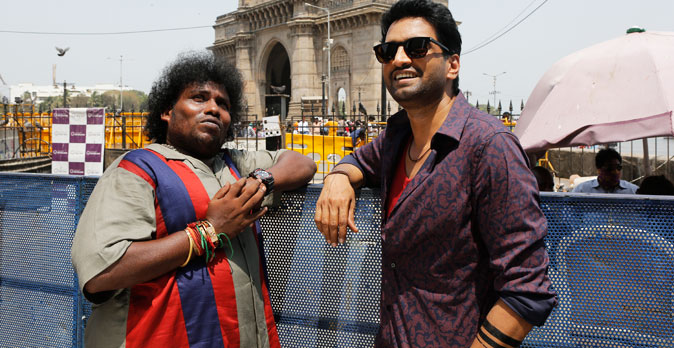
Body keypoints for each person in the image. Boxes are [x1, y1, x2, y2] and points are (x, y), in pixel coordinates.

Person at [314, 1, 556, 347]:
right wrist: (336, 178)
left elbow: (528, 290)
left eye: (417, 48)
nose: (399, 60)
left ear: (452, 64)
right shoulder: (396, 139)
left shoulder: (490, 147)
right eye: (388, 51)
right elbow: (357, 161)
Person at [71, 51, 316, 348]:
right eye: (199, 98)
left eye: (222, 104)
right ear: (167, 112)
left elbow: (302, 163)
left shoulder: (235, 165)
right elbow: (100, 271)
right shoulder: (138, 169)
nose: (212, 108)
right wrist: (209, 231)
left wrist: (262, 181)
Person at [572, 148, 638, 194]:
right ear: (599, 169)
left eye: (618, 168)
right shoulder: (582, 191)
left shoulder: (633, 191)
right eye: (610, 169)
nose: (615, 172)